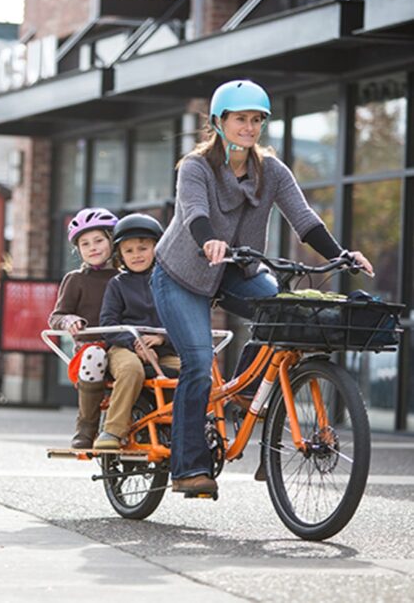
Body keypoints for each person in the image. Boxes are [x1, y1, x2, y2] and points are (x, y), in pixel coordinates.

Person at [150, 79, 373, 497]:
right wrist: (208, 240)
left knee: (287, 314)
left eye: (256, 120)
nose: (249, 128)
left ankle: (249, 394)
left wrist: (342, 253)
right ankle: (188, 468)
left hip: (238, 269)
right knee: (197, 363)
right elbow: (195, 212)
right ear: (219, 122)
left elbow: (304, 220)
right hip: (182, 274)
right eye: (240, 119)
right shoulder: (196, 167)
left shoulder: (271, 171)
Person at [94, 213, 181, 450]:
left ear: (157, 248)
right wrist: (135, 342)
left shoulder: (171, 282)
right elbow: (108, 323)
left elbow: (182, 320)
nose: (136, 255)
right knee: (131, 370)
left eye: (143, 248)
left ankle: (187, 429)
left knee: (194, 371)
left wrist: (162, 337)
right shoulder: (118, 285)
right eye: (129, 250)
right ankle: (112, 431)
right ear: (119, 254)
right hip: (124, 347)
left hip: (163, 348)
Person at [49, 207, 119, 449]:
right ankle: (86, 426)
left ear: (112, 241)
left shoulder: (126, 278)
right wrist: (69, 320)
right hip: (93, 347)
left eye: (99, 240)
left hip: (124, 344)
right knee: (94, 355)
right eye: (85, 243)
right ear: (77, 250)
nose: (93, 247)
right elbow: (56, 316)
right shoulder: (76, 280)